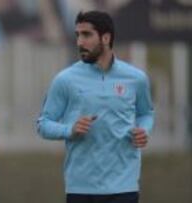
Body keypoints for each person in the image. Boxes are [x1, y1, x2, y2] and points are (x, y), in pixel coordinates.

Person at [36, 11, 154, 203]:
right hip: (81, 188)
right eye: (78, 35)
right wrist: (69, 130)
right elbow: (43, 124)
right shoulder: (65, 80)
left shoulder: (136, 78)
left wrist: (143, 129)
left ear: (106, 38)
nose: (79, 42)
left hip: (124, 186)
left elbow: (146, 113)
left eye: (87, 35)